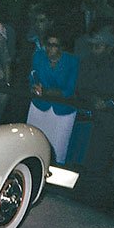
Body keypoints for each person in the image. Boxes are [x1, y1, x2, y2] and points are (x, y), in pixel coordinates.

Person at [74, 28, 114, 171]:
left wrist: (106, 104)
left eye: (98, 46)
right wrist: (91, 98)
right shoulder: (86, 62)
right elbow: (79, 87)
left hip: (106, 123)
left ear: (109, 48)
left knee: (96, 164)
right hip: (84, 120)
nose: (94, 50)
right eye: (92, 46)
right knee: (77, 163)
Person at [26, 32, 79, 164]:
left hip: (63, 110)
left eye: (54, 45)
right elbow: (32, 76)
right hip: (39, 105)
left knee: (58, 151)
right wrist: (34, 87)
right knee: (31, 145)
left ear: (62, 47)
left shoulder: (73, 61)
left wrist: (47, 91)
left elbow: (70, 90)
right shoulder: (38, 56)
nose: (50, 48)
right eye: (48, 45)